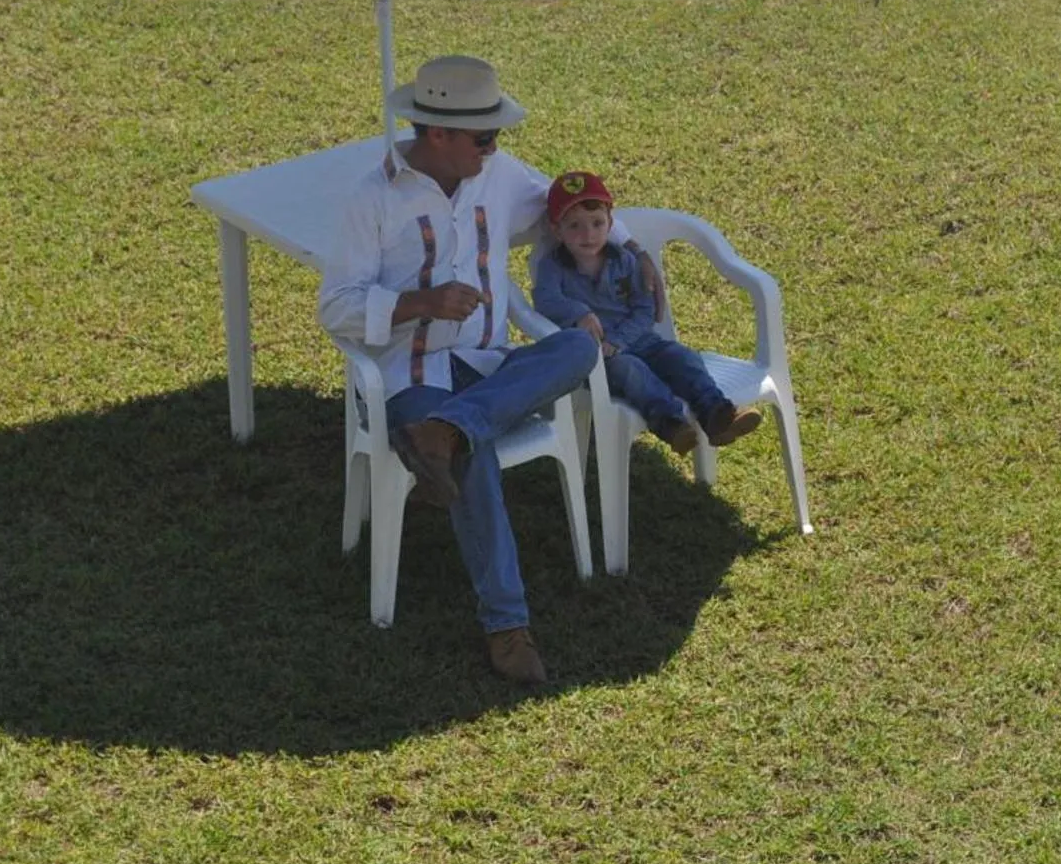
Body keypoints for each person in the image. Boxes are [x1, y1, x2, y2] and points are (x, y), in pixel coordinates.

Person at [317, 56, 660, 686]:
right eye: (484, 137)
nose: (494, 147)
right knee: (470, 457)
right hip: (411, 376)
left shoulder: (497, 176)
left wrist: (631, 251)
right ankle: (506, 624)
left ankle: (445, 432)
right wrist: (420, 302)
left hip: (490, 367)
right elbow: (335, 307)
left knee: (576, 348)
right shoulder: (372, 199)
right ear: (437, 134)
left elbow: (568, 207)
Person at [532, 170, 761, 457]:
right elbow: (545, 300)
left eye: (597, 223)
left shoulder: (625, 260)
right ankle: (671, 424)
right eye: (574, 226)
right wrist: (579, 313)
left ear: (610, 223)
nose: (588, 234)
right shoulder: (552, 267)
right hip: (597, 358)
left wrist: (620, 340)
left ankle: (718, 413)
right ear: (557, 230)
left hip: (640, 340)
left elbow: (645, 309)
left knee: (683, 357)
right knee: (632, 371)